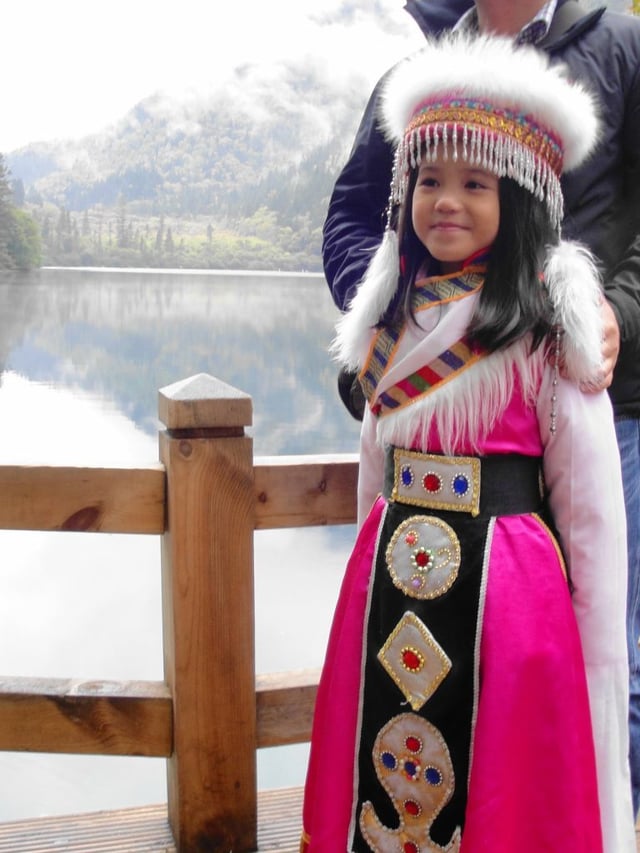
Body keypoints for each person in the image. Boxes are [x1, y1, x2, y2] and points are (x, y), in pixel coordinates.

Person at [301, 31, 635, 853]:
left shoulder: (548, 331)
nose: (446, 200)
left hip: (512, 602)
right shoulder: (390, 320)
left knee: (500, 781)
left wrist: (595, 659)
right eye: (429, 179)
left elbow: (591, 512)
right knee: (386, 773)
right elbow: (374, 472)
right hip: (389, 585)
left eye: (474, 182)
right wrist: (365, 566)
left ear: (516, 195)